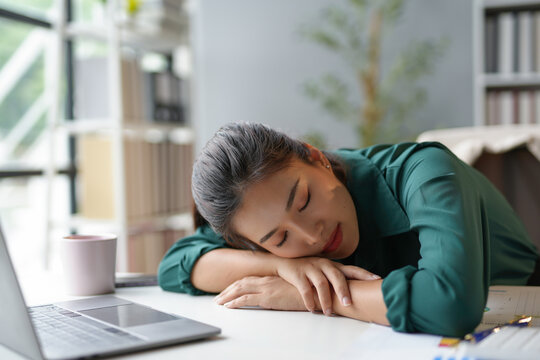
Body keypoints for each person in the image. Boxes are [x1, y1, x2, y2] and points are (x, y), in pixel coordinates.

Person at [158, 122, 539, 337]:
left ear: (316, 157)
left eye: (304, 201)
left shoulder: (425, 172)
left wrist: (309, 295)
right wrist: (280, 268)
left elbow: (449, 304)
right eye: (279, 239)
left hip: (517, 326)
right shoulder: (258, 223)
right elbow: (177, 263)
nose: (311, 237)